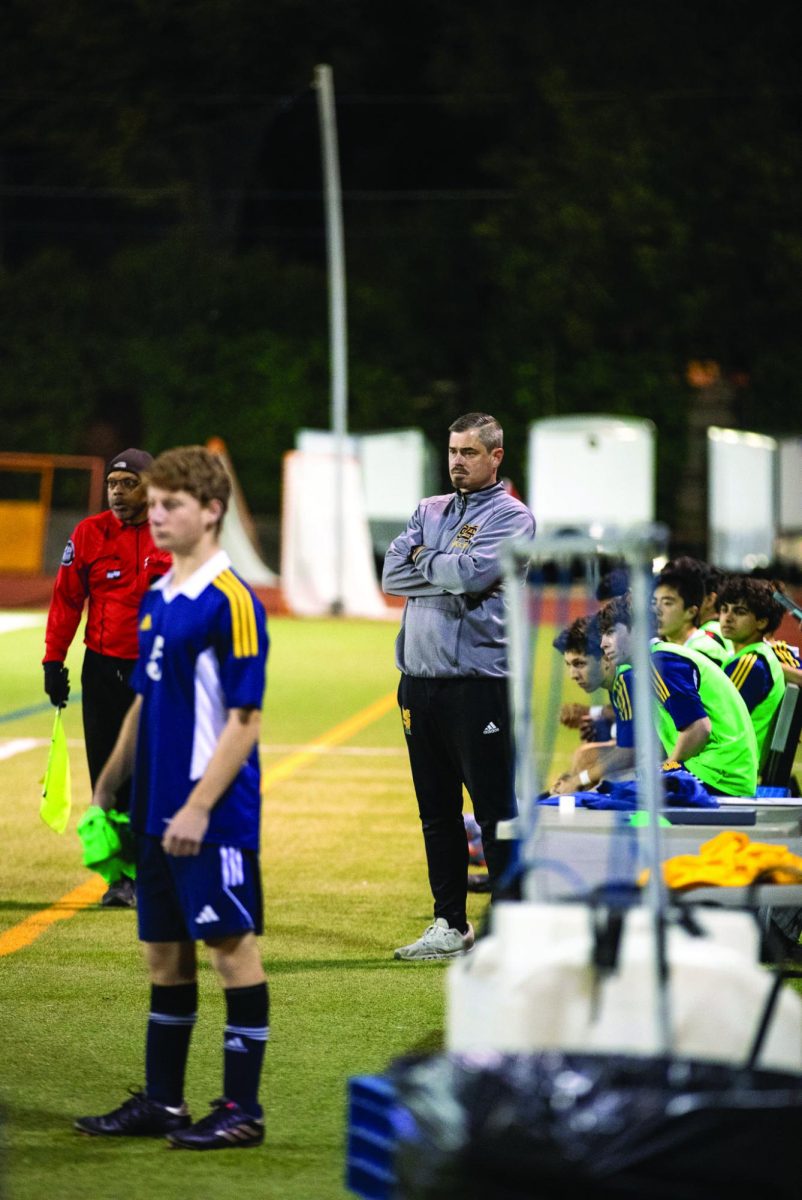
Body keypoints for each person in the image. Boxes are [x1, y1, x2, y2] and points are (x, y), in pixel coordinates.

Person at [74, 446, 269, 1150]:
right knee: (164, 956)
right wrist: (106, 784)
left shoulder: (233, 600)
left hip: (210, 817)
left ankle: (241, 1110)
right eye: (152, 505)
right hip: (153, 810)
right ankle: (163, 1103)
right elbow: (142, 702)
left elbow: (245, 720)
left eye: (170, 505)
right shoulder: (160, 595)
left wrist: (196, 808)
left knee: (229, 950)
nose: (155, 516)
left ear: (211, 511)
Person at [382, 412, 536, 961]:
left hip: (479, 684)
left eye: (468, 452)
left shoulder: (514, 517)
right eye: (452, 451)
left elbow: (471, 577)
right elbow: (390, 575)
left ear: (496, 456)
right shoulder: (429, 509)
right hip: (418, 683)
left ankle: (515, 930)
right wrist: (441, 566)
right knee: (436, 813)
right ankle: (450, 924)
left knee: (495, 809)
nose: (456, 462)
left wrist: (428, 560)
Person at [43, 448, 171, 907]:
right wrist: (52, 661)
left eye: (127, 483)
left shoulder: (169, 533)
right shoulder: (88, 534)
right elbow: (66, 601)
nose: (117, 491)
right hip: (101, 669)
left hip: (156, 672)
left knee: (152, 773)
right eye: (112, 484)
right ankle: (120, 878)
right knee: (106, 772)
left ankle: (152, 870)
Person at [598, 594, 758, 798]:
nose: (603, 643)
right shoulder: (659, 658)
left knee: (617, 795)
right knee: (620, 788)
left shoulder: (659, 662)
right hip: (719, 770)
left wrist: (668, 767)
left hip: (719, 775)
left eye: (611, 632)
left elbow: (699, 728)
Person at [718, 575, 787, 768]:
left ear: (762, 622)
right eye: (724, 609)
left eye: (739, 612)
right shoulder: (756, 656)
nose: (727, 618)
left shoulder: (749, 664)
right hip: (732, 764)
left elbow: (717, 721)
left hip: (728, 769)